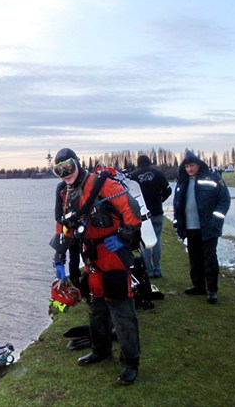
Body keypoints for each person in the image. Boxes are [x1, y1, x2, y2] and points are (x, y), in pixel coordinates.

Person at [50, 148, 142, 385]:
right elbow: (63, 226)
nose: (65, 174)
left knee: (121, 309)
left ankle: (130, 362)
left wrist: (123, 237)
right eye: (59, 170)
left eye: (68, 167)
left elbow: (131, 211)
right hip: (90, 255)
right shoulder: (64, 193)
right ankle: (100, 350)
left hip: (112, 253)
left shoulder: (102, 184)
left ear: (77, 164)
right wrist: (58, 259)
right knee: (97, 307)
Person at [172, 150, 231, 304]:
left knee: (209, 259)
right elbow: (177, 204)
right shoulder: (182, 182)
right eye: (186, 167)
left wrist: (216, 220)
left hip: (208, 228)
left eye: (191, 166)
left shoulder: (213, 178)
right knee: (194, 258)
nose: (189, 169)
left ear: (198, 165)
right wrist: (178, 221)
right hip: (190, 227)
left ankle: (212, 290)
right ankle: (198, 286)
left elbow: (224, 200)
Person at [129, 155, 172, 278]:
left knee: (145, 242)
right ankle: (157, 269)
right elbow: (168, 190)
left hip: (142, 214)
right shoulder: (157, 173)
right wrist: (160, 200)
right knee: (156, 240)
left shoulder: (133, 176)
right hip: (157, 211)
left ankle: (148, 269)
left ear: (138, 163)